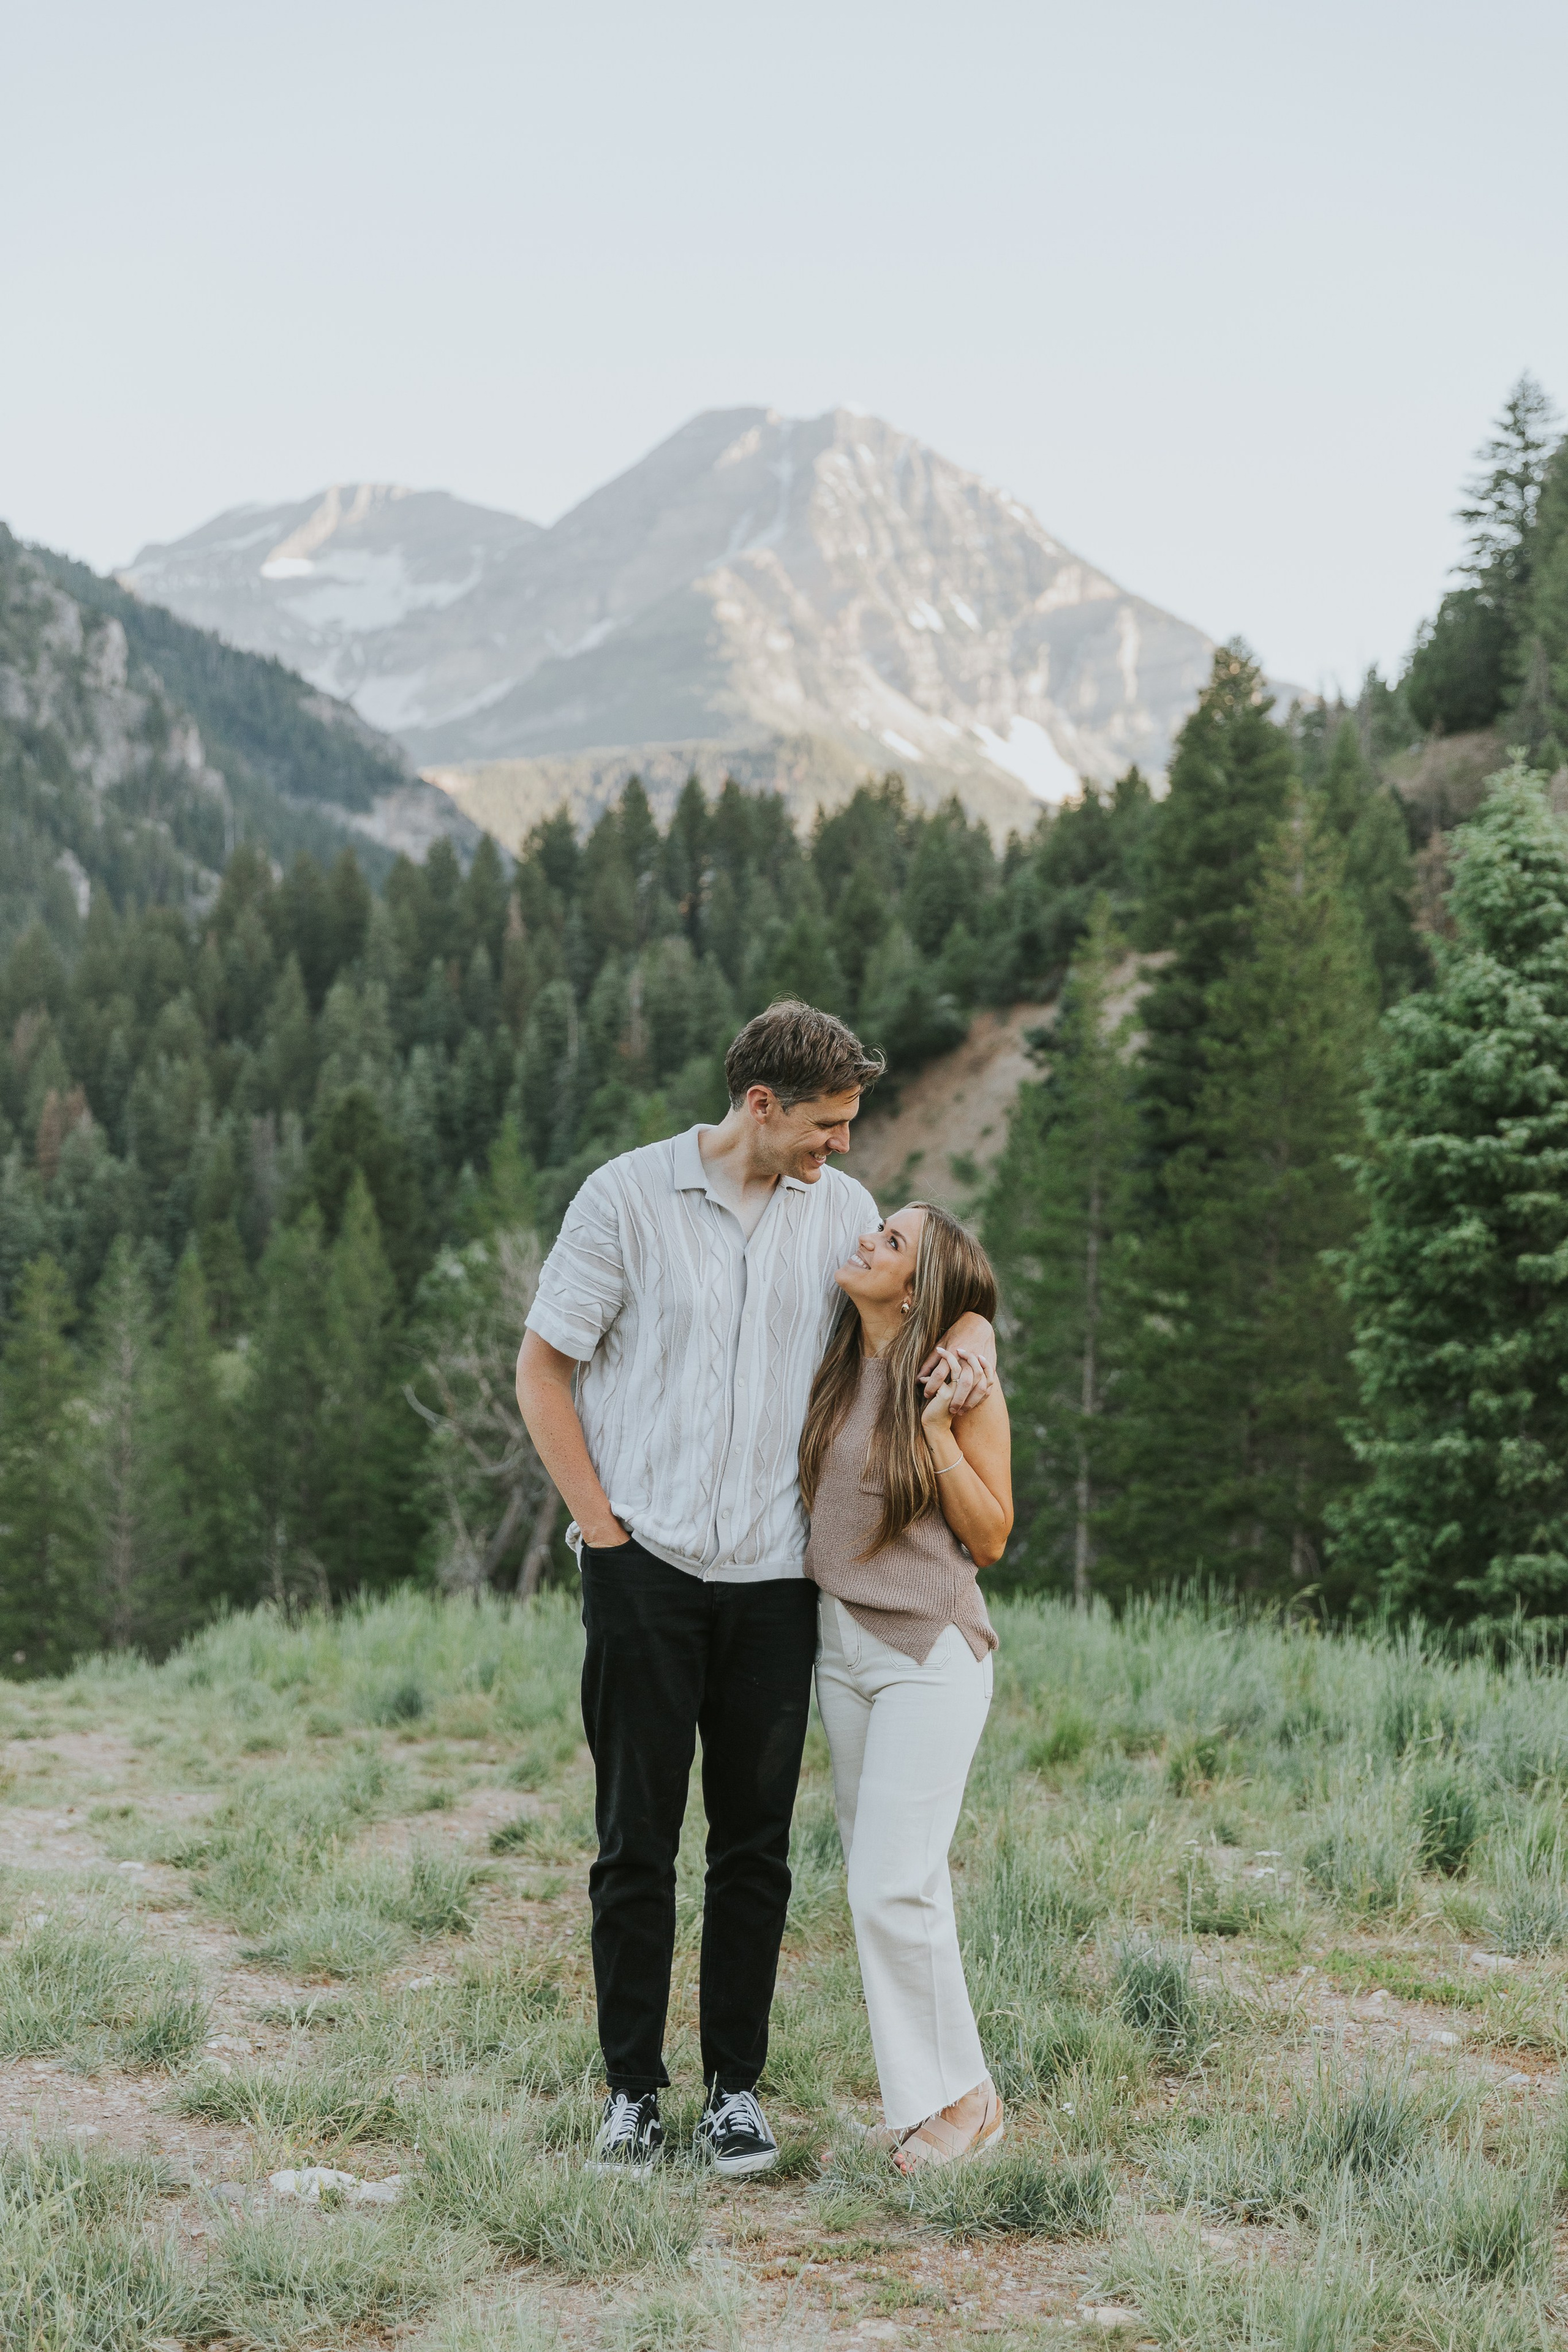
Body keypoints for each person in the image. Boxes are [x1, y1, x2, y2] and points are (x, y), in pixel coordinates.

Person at [515, 1000, 995, 2178]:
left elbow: (942, 1285)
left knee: (754, 1850)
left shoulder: (839, 1213)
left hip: (780, 1587)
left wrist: (977, 1333)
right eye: (827, 1123)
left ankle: (735, 2090)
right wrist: (603, 1535)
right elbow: (542, 1370)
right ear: (762, 1104)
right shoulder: (624, 1197)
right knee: (635, 1842)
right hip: (644, 1569)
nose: (844, 1145)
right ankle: (632, 2093)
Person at [801, 1201, 1012, 2171]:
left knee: (894, 1883)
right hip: (840, 1646)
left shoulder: (956, 1383)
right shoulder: (838, 1350)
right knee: (882, 1882)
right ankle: (922, 2101)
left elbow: (991, 1536)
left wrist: (935, 1430)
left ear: (918, 1285)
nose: (867, 1240)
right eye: (879, 1227)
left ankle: (968, 2100)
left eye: (892, 1242)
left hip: (927, 1651)